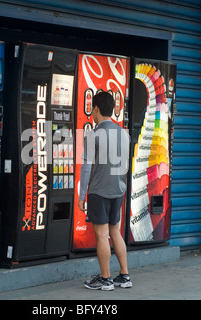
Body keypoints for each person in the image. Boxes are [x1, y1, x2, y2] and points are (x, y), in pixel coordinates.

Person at [78, 91, 132, 291]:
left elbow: (86, 167)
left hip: (99, 191)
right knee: (115, 232)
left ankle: (105, 278)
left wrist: (82, 195)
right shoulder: (124, 134)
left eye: (93, 109)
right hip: (118, 190)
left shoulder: (93, 135)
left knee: (101, 235)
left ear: (96, 109)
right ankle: (124, 276)